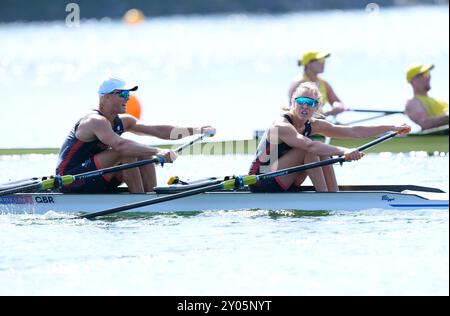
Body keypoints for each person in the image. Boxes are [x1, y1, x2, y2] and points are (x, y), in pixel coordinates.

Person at [56, 77, 216, 193]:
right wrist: (158, 152)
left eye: (128, 95)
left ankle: (150, 194)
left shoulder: (124, 121)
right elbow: (121, 146)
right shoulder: (95, 121)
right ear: (106, 97)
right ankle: (141, 199)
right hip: (71, 179)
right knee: (127, 151)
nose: (127, 99)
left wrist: (198, 129)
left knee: (141, 153)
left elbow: (160, 131)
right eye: (123, 95)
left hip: (96, 176)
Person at [249, 82, 411, 193]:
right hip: (262, 181)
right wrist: (343, 151)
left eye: (310, 103)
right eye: (301, 101)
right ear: (293, 102)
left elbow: (354, 131)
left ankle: (333, 194)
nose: (305, 106)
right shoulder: (281, 126)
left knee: (323, 152)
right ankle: (326, 197)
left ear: (316, 107)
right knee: (311, 149)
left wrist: (392, 128)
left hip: (285, 179)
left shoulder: (314, 124)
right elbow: (310, 147)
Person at [288, 51, 347, 117]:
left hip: (318, 121)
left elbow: (336, 101)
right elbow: (294, 108)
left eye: (324, 61)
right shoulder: (298, 82)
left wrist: (337, 105)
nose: (323, 63)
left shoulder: (324, 83)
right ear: (308, 63)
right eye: (320, 60)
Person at [404, 64, 449, 130]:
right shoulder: (413, 102)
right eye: (425, 74)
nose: (429, 77)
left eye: (428, 74)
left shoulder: (438, 100)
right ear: (413, 80)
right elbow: (425, 123)